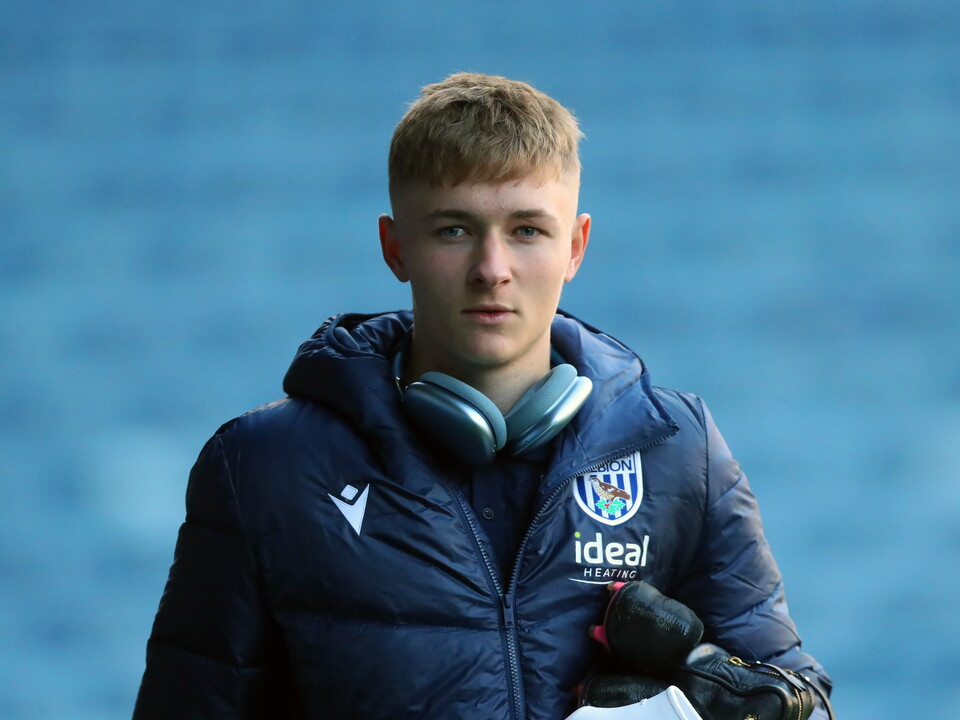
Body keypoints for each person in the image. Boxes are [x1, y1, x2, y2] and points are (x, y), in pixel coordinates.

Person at [133, 72, 833, 719]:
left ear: (576, 246)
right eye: (454, 230)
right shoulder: (263, 467)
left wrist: (711, 690)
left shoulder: (678, 448)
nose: (491, 270)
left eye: (527, 230)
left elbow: (800, 698)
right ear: (395, 247)